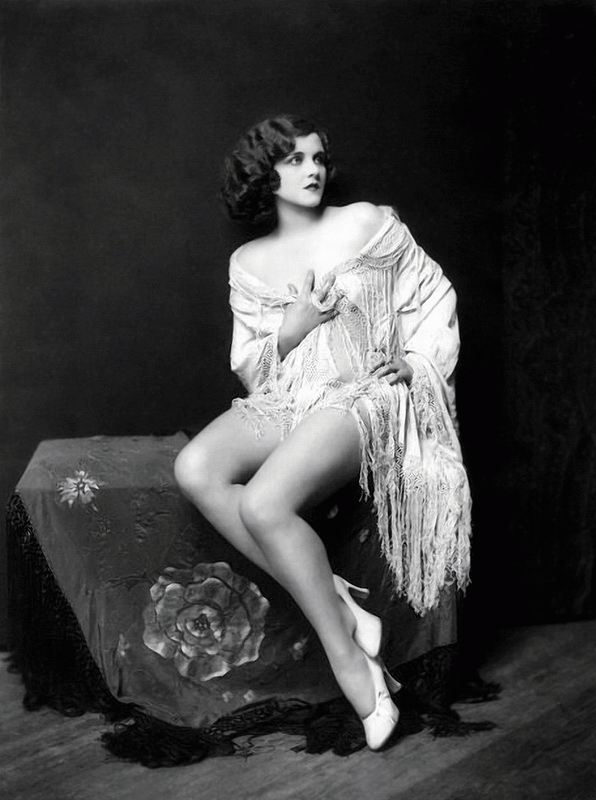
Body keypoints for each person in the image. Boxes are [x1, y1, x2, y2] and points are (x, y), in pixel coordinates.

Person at [174, 114, 472, 751]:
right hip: (290, 397)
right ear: (265, 174)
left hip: (363, 394)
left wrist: (416, 362)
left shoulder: (367, 221)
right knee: (195, 469)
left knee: (263, 504)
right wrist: (293, 327)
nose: (312, 170)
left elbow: (433, 296)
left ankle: (351, 663)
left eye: (317, 158)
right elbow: (254, 364)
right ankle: (338, 601)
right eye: (294, 160)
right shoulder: (247, 261)